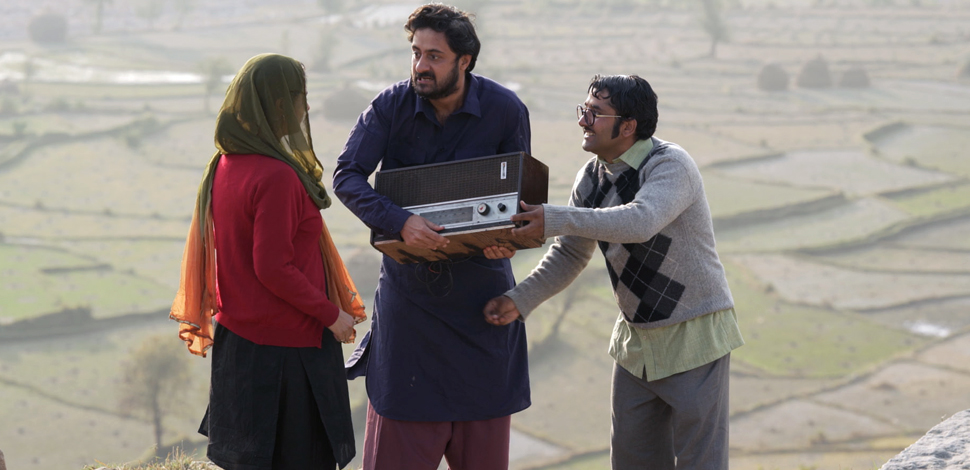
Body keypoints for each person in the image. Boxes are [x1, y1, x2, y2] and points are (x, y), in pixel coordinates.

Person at [483, 75, 745, 470]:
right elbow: (570, 253)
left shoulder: (670, 165)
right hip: (636, 344)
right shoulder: (590, 179)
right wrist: (520, 300)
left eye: (595, 113)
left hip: (694, 336)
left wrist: (554, 217)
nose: (583, 121)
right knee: (631, 461)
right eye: (584, 110)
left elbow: (640, 221)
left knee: (700, 462)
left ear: (627, 126)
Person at [332, 4, 531, 469]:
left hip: (482, 305)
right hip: (410, 310)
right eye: (416, 52)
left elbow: (518, 202)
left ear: (465, 60)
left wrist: (506, 239)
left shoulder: (505, 110)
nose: (421, 65)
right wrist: (400, 222)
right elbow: (347, 177)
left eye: (435, 56)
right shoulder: (389, 106)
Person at [169, 53, 367, 470]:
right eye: (300, 97)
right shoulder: (276, 176)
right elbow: (272, 267)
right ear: (278, 104)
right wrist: (331, 314)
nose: (306, 107)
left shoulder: (226, 164)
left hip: (242, 347)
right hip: (289, 354)